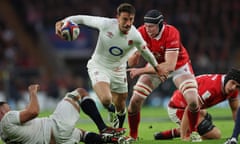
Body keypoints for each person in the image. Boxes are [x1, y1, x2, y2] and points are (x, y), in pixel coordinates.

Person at [55, 3, 161, 129]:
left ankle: (119, 128)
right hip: (99, 66)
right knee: (106, 99)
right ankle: (110, 111)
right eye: (125, 19)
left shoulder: (135, 35)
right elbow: (81, 19)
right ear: (118, 18)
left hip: (119, 70)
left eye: (131, 19)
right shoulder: (106, 24)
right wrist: (63, 21)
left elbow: (146, 53)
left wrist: (156, 67)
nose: (128, 23)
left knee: (121, 105)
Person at [126, 9, 201, 142]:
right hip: (155, 66)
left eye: (151, 26)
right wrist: (136, 53)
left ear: (160, 24)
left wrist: (140, 71)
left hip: (178, 66)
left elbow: (169, 66)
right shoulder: (141, 32)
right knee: (134, 101)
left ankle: (194, 132)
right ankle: (133, 136)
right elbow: (131, 63)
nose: (148, 29)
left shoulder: (171, 32)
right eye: (146, 26)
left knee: (193, 101)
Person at [0, 84, 126, 144]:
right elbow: (34, 111)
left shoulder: (4, 136)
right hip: (56, 126)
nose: (11, 110)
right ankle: (103, 128)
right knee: (80, 92)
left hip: (58, 141)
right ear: (2, 111)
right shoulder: (7, 118)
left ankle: (114, 140)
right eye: (8, 108)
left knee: (82, 134)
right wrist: (32, 92)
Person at [154, 68, 240, 141]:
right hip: (178, 107)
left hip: (191, 106)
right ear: (227, 79)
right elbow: (191, 107)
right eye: (232, 83)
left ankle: (168, 134)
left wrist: (236, 133)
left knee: (207, 118)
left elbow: (235, 110)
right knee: (215, 135)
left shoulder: (232, 90)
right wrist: (185, 137)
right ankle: (184, 134)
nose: (233, 88)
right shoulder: (212, 88)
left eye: (237, 86)